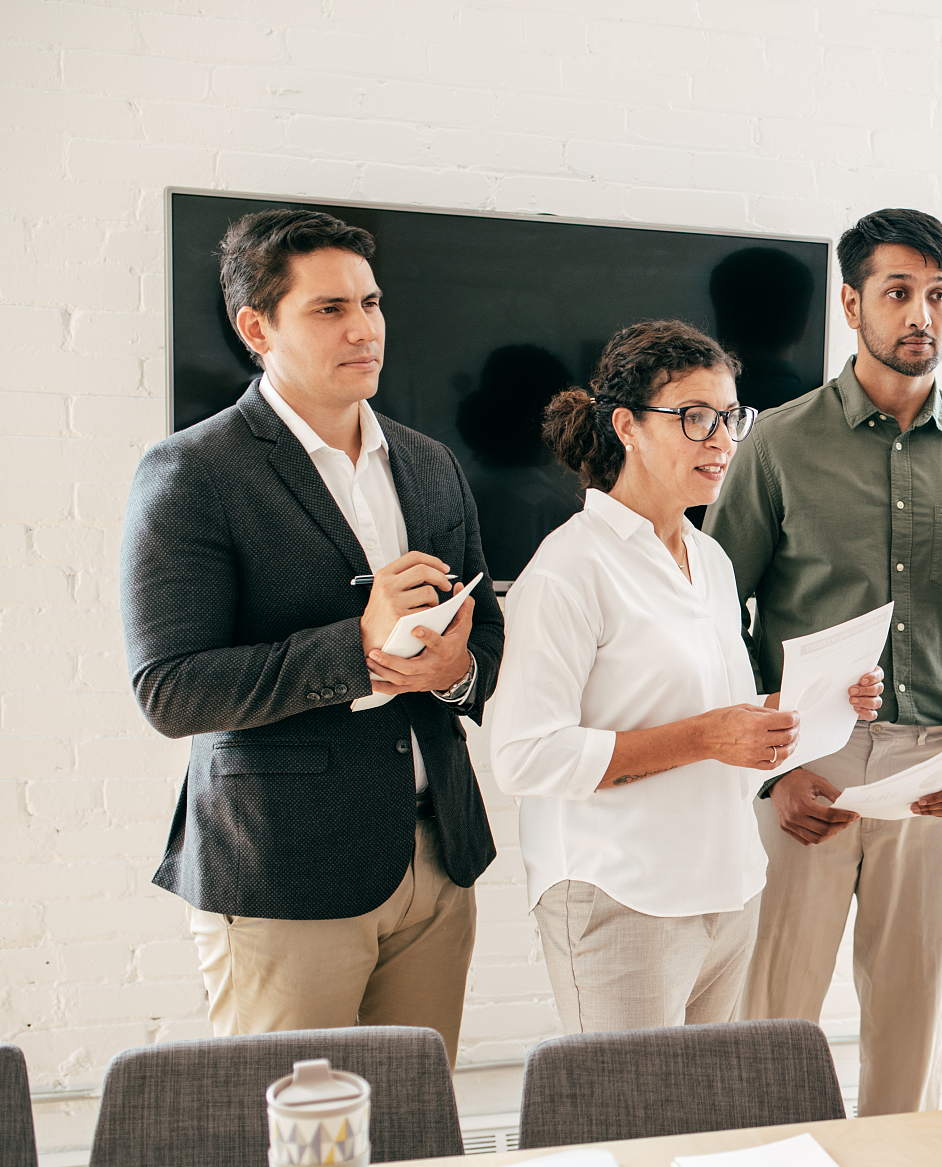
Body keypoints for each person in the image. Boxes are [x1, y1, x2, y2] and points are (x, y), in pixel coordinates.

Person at [119, 208, 501, 1066]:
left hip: (437, 862)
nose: (365, 328)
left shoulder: (430, 462)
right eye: (329, 309)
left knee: (412, 1141)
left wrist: (452, 672)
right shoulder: (192, 472)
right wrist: (357, 648)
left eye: (370, 302)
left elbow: (490, 639)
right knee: (293, 1153)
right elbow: (171, 690)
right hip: (283, 873)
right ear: (257, 327)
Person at [704, 208, 942, 1116]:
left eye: (938, 295)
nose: (920, 313)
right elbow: (709, 613)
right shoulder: (775, 442)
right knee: (773, 1023)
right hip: (804, 764)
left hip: (939, 767)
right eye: (898, 292)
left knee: (913, 1029)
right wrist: (768, 773)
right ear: (852, 305)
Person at [489, 321, 880, 1033]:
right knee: (628, 1133)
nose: (723, 440)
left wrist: (811, 702)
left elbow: (718, 720)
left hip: (726, 889)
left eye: (731, 417)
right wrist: (708, 736)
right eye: (696, 417)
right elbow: (523, 754)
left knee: (697, 1132)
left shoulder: (711, 560)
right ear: (626, 427)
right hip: (621, 896)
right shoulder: (568, 567)